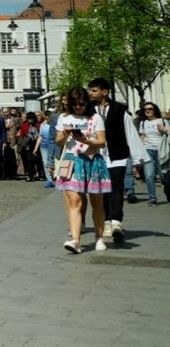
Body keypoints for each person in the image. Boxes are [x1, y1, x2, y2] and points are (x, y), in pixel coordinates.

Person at [54, 86, 111, 253]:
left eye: (82, 103)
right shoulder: (63, 118)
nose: (78, 107)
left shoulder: (95, 118)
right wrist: (65, 134)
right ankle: (75, 240)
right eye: (75, 104)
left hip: (92, 160)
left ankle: (99, 237)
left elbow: (102, 142)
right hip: (71, 160)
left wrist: (86, 140)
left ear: (87, 102)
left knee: (96, 202)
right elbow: (58, 141)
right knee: (74, 201)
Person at [89, 77, 146, 244]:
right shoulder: (88, 109)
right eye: (90, 90)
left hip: (117, 156)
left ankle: (116, 222)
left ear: (105, 92)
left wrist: (138, 158)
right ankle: (106, 221)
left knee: (116, 188)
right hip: (96, 156)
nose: (90, 93)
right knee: (101, 190)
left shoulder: (120, 110)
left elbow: (130, 133)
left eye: (94, 90)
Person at [137, 103, 167, 205]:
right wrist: (140, 151)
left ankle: (168, 193)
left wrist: (164, 130)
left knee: (164, 176)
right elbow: (142, 136)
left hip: (161, 151)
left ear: (155, 110)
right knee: (149, 176)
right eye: (145, 109)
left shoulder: (163, 121)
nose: (147, 111)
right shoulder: (143, 123)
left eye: (150, 109)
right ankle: (152, 199)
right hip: (148, 151)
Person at [37, 107, 60, 189]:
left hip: (56, 145)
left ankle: (57, 179)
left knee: (56, 161)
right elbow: (40, 137)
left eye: (49, 115)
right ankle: (49, 180)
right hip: (44, 146)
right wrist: (35, 148)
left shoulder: (57, 124)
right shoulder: (42, 125)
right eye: (46, 116)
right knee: (46, 163)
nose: (47, 117)